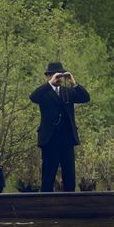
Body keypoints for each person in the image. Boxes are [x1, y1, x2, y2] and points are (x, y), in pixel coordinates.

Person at [29, 62, 90, 192]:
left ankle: (70, 203)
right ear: (49, 76)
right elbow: (33, 97)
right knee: (48, 175)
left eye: (60, 76)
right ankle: (46, 203)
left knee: (69, 174)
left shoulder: (68, 92)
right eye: (56, 76)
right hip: (50, 140)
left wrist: (73, 82)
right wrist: (50, 83)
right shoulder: (44, 92)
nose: (58, 79)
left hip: (67, 139)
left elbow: (85, 98)